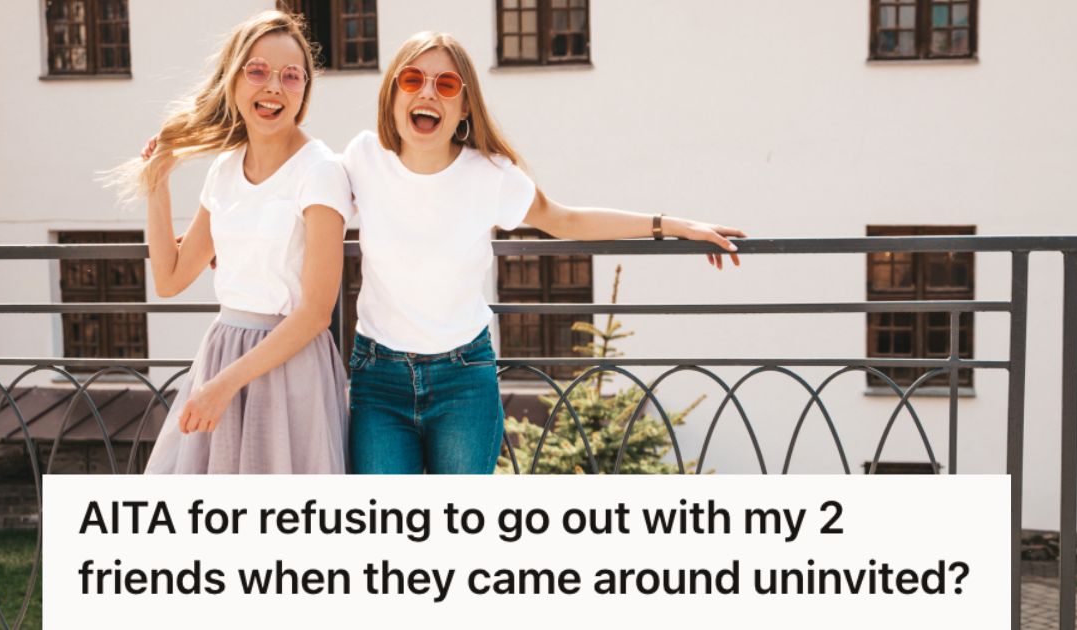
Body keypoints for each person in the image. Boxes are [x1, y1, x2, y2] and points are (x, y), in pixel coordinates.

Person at [343, 31, 746, 475]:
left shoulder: (491, 175)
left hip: (463, 380)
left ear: (464, 107)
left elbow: (566, 221)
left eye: (446, 85)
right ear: (392, 94)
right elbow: (303, 212)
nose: (427, 92)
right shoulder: (363, 158)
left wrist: (670, 225)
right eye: (413, 78)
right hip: (378, 378)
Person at [120, 11, 352, 473]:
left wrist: (222, 386)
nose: (273, 88)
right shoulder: (224, 169)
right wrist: (158, 183)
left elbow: (315, 313)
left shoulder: (320, 171)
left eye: (291, 76)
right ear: (234, 80)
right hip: (221, 351)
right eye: (258, 71)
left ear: (304, 90)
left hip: (289, 366)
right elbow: (169, 278)